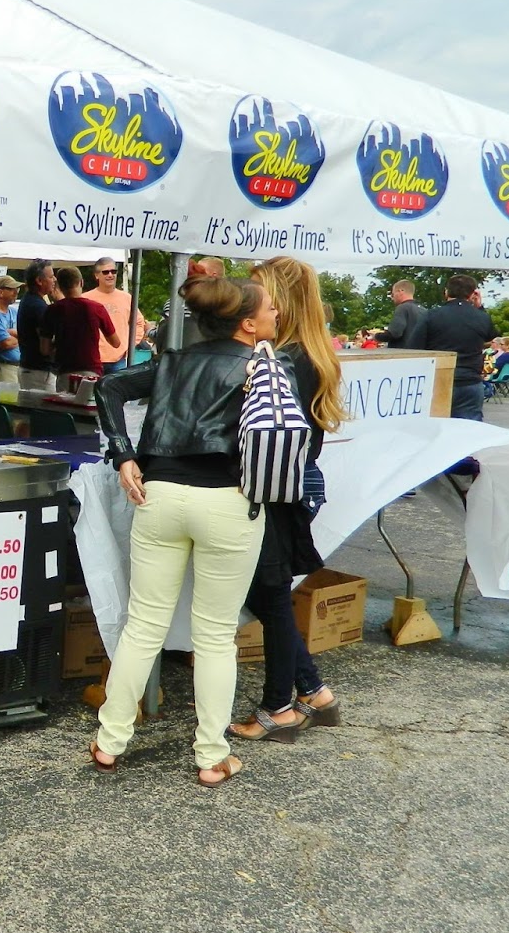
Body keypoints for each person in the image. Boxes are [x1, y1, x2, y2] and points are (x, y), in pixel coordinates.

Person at [90, 276, 280, 788]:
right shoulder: (262, 367)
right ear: (246, 322)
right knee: (216, 636)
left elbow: (106, 385)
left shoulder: (173, 362)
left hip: (160, 495)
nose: (275, 313)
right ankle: (211, 757)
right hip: (227, 500)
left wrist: (123, 455)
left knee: (143, 625)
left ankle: (109, 742)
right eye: (268, 308)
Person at [228, 257, 344, 743]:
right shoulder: (308, 351)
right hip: (296, 481)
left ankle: (280, 707)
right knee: (269, 594)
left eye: (262, 294)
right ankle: (314, 693)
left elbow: (269, 434)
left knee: (268, 596)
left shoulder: (285, 357)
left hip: (278, 485)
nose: (258, 305)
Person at [406, 274, 495, 421]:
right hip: (470, 381)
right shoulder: (481, 317)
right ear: (473, 294)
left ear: (446, 292)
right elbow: (491, 336)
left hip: (439, 381)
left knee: (436, 428)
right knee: (469, 430)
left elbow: (414, 347)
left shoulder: (431, 315)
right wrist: (479, 307)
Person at [39, 264, 119, 380]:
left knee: (66, 398)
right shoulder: (96, 308)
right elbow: (115, 342)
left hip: (65, 371)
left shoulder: (52, 310)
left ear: (60, 286)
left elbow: (44, 349)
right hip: (91, 370)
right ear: (81, 282)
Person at [81, 257, 146, 371]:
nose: (110, 275)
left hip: (119, 359)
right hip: (93, 359)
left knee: (116, 389)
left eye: (113, 271)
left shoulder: (127, 298)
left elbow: (139, 323)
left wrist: (130, 345)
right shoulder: (85, 299)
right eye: (105, 272)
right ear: (97, 275)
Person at [157, 256, 226, 349]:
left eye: (201, 270)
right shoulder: (229, 302)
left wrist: (149, 330)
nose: (198, 273)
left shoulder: (175, 304)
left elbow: (162, 336)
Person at [16, 260, 55, 390]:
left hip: (31, 369)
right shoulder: (38, 306)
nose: (54, 280)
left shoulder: (29, 300)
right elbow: (46, 344)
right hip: (38, 373)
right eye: (51, 277)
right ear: (39, 280)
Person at [373, 279, 425, 348]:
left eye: (393, 294)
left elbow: (395, 333)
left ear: (401, 291)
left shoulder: (402, 308)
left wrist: (376, 336)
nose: (392, 298)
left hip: (402, 353)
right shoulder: (424, 310)